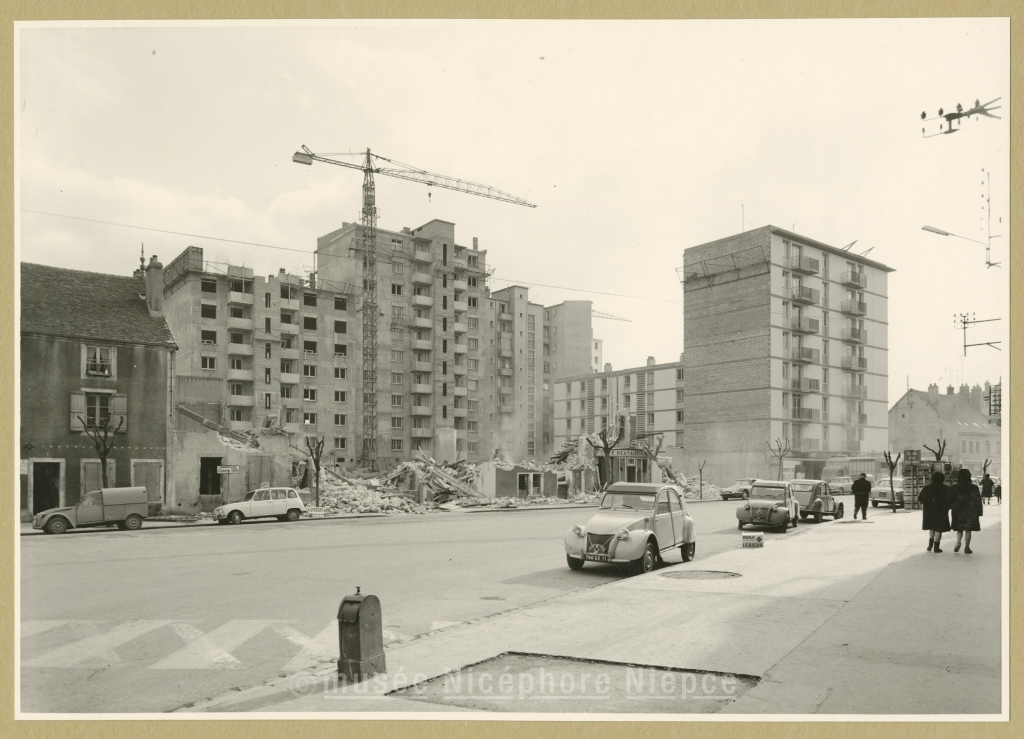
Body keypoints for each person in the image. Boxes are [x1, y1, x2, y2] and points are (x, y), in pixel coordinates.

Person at [950, 468, 983, 553]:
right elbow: (978, 500)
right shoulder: (974, 488)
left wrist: (950, 508)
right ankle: (967, 547)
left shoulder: (953, 488)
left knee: (959, 528)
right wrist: (979, 512)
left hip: (957, 511)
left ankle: (958, 542)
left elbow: (949, 500)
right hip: (970, 511)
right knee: (968, 529)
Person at [918, 471, 950, 552]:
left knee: (931, 527)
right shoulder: (945, 488)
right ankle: (936, 547)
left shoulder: (926, 487)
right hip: (941, 511)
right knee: (939, 528)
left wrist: (926, 502)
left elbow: (920, 498)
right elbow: (949, 500)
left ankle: (930, 545)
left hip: (929, 511)